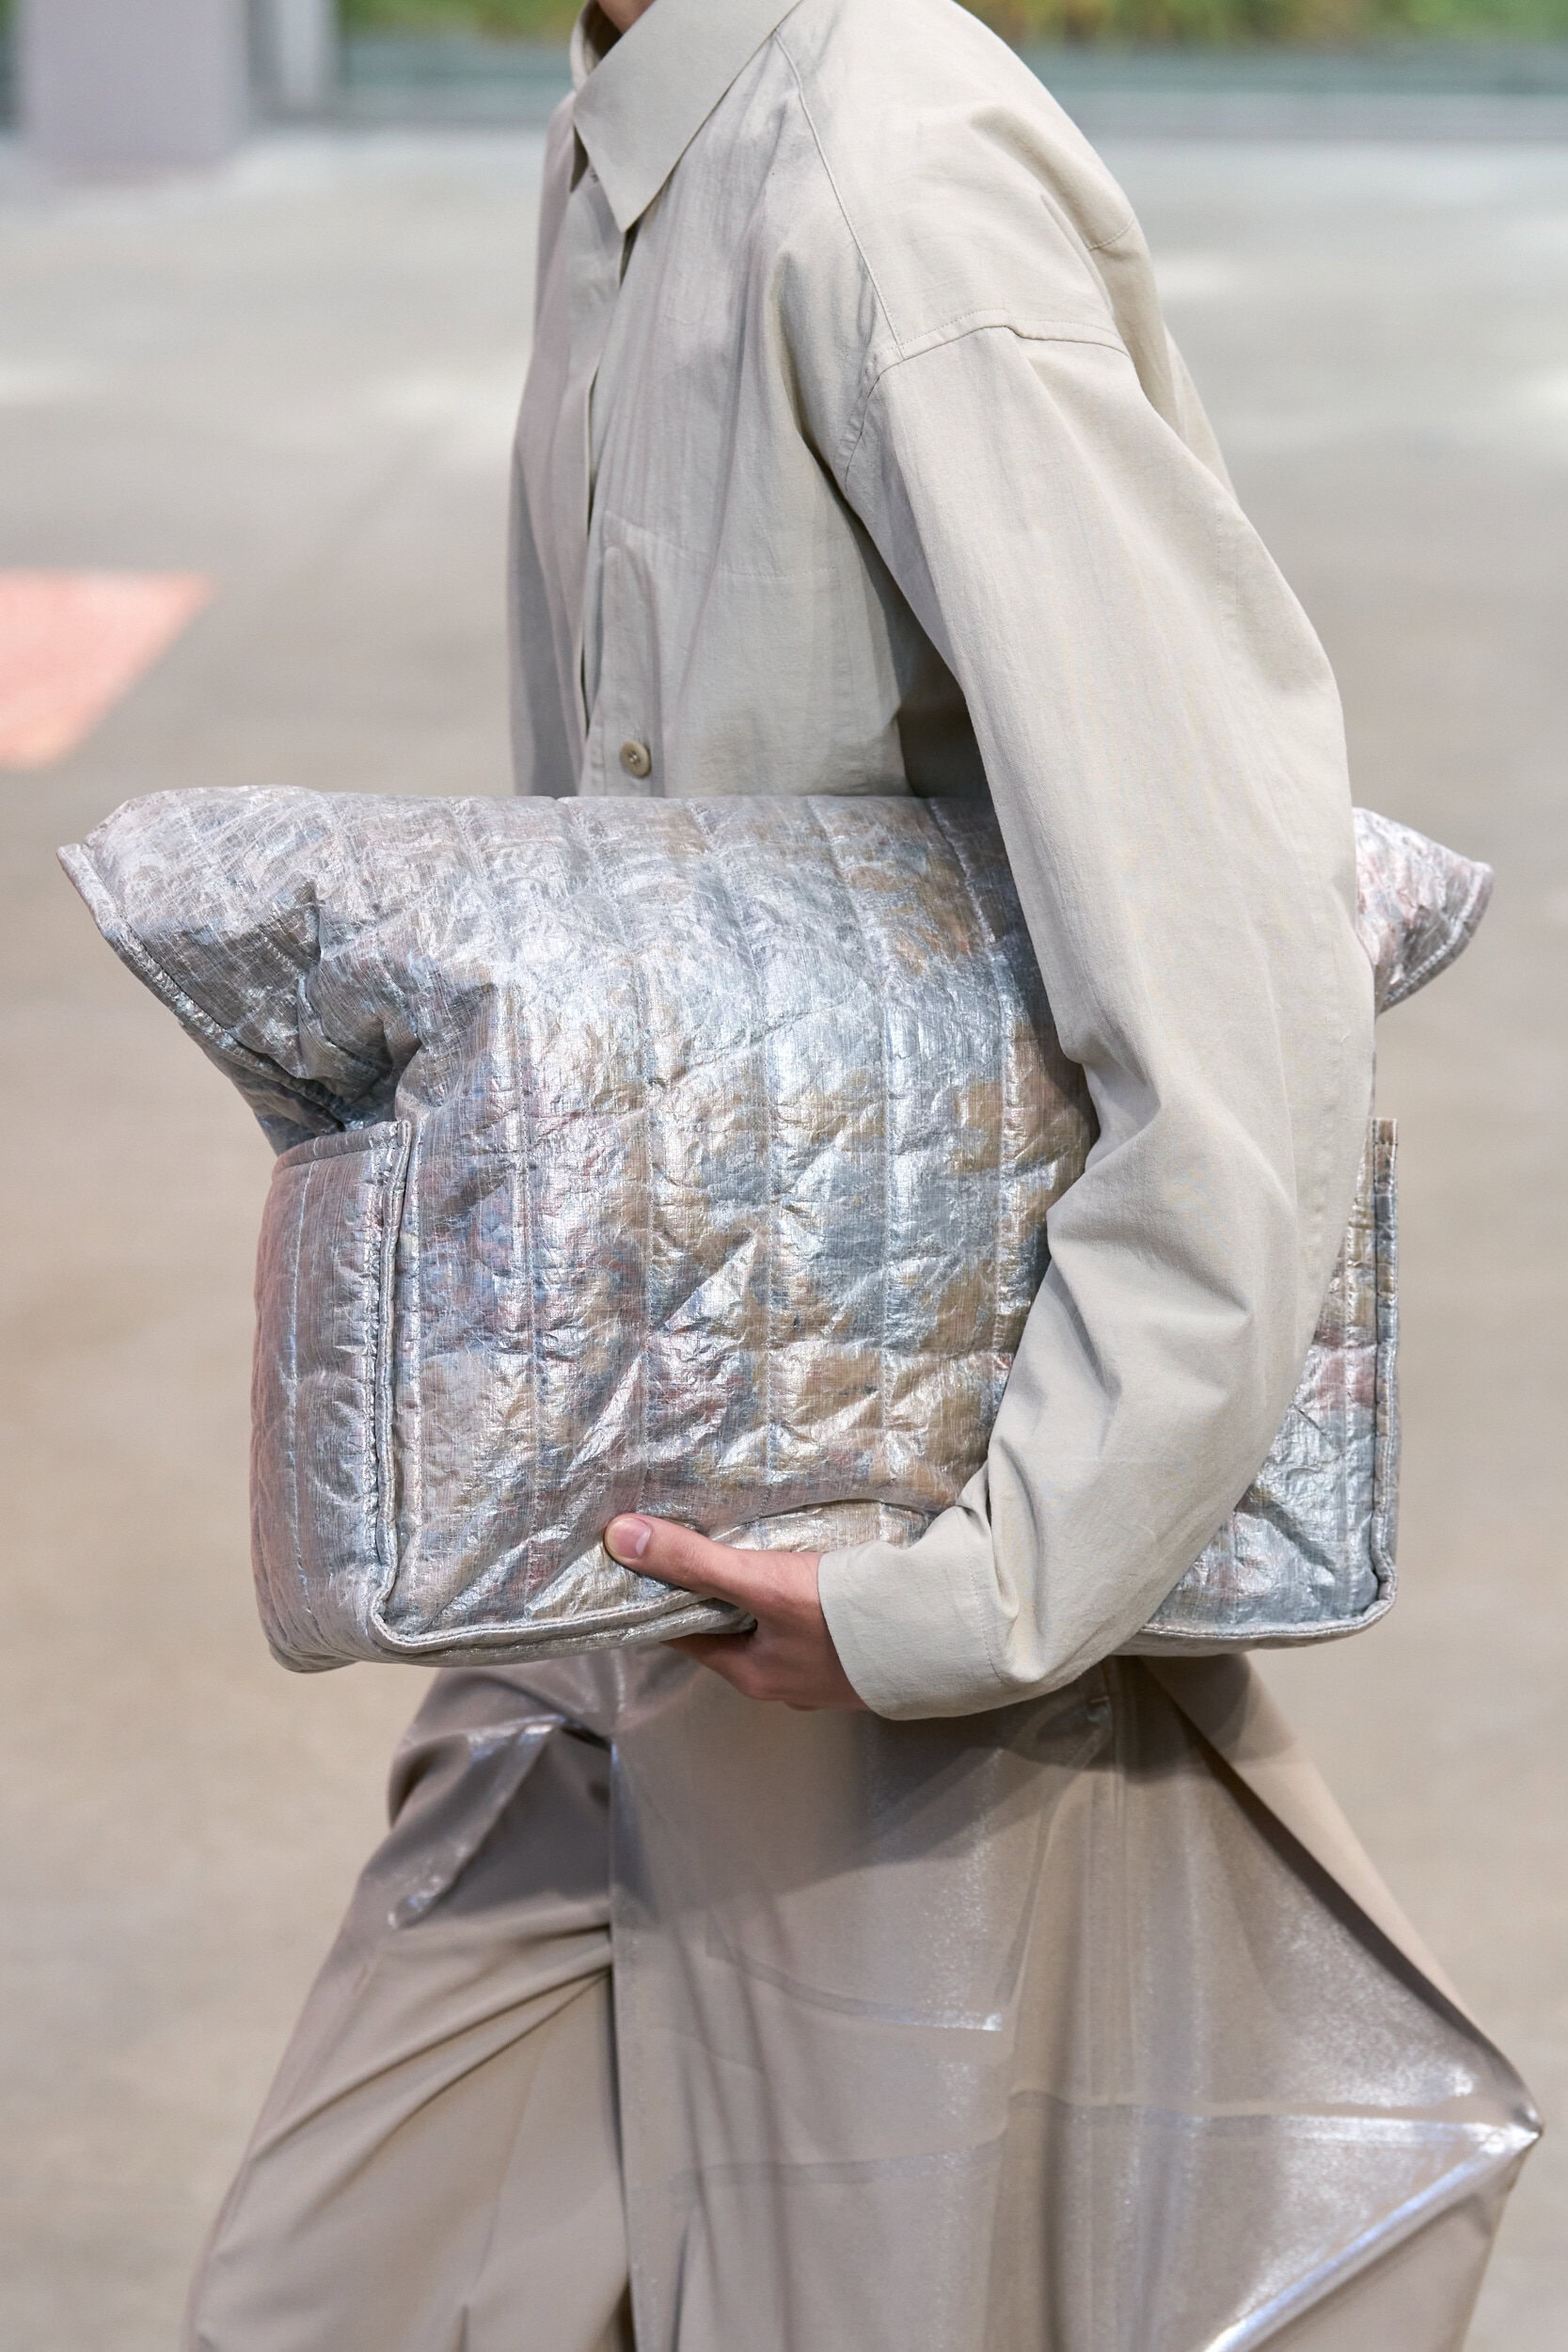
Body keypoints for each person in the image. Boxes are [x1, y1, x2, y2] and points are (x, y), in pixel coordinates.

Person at [183, 2, 1537, 2345]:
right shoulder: (629, 146)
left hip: (872, 1587)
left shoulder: (890, 180)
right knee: (332, 2288)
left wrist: (981, 1587)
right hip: (615, 1530)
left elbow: (1236, 957)